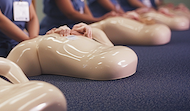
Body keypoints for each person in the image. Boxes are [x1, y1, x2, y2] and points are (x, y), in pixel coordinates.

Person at [8, 23, 138, 80]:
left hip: (109, 58)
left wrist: (87, 31)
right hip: (11, 43)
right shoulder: (30, 47)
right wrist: (40, 36)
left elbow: (112, 48)